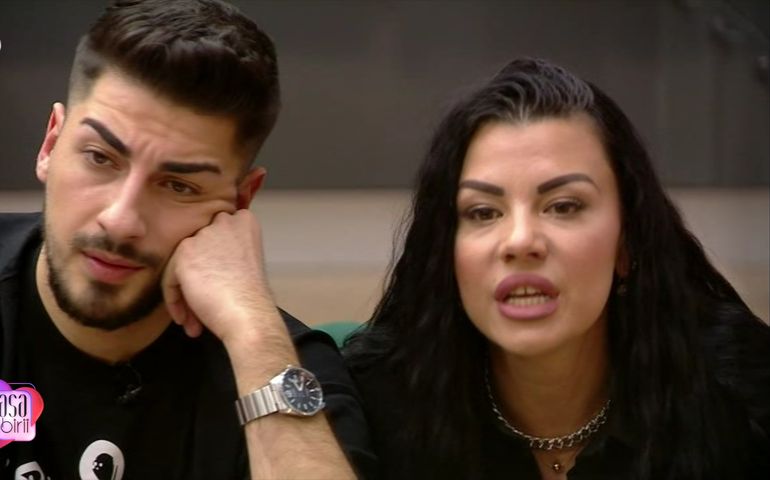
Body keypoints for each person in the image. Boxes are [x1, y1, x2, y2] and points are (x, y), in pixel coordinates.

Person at [345, 58, 770, 479]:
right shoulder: (378, 403)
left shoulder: (740, 393)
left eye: (563, 206)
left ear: (627, 242)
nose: (520, 241)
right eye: (483, 212)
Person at [0, 0, 374, 478]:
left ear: (239, 202)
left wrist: (252, 333)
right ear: (51, 144)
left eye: (179, 186)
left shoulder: (284, 365)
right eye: (99, 157)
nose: (121, 220)